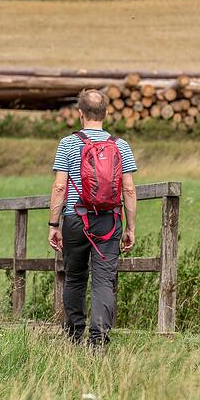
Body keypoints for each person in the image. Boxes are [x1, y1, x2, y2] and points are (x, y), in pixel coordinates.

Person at [47, 89, 138, 348]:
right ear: (106, 113)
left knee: (75, 276)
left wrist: (54, 225)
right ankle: (98, 339)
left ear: (80, 114)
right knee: (103, 279)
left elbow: (59, 187)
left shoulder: (68, 143)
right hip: (109, 221)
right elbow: (129, 189)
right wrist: (130, 227)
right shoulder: (121, 145)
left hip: (75, 218)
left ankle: (74, 335)